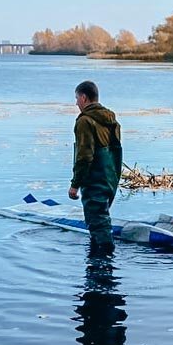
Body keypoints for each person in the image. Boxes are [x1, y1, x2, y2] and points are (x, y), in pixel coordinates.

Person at [67, 80, 122, 255]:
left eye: (77, 98)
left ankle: (104, 266)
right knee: (100, 219)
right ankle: (97, 257)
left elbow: (85, 156)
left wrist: (75, 184)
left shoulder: (85, 121)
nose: (76, 103)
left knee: (97, 222)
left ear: (84, 98)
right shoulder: (111, 118)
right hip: (111, 176)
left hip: (94, 178)